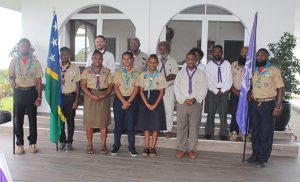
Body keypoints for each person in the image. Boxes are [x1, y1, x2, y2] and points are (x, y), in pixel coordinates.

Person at [247, 48, 284, 168]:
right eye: (257, 55)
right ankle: (255, 155)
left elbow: (280, 90)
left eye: (262, 55)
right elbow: (252, 85)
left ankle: (263, 158)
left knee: (266, 132)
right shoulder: (254, 70)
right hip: (254, 104)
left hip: (268, 105)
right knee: (256, 131)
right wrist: (249, 93)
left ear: (267, 56)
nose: (259, 57)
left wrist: (277, 108)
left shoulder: (274, 70)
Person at [8, 38, 43, 154]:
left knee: (32, 118)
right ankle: (20, 144)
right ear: (19, 48)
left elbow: (39, 80)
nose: (24, 48)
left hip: (31, 92)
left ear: (29, 48)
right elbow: (10, 76)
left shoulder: (35, 62)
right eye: (22, 46)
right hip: (18, 92)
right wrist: (11, 82)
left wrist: (39, 96)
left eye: (26, 46)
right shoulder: (14, 61)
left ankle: (32, 143)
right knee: (18, 119)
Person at [174, 52, 208, 159]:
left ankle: (192, 149)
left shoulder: (202, 74)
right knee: (181, 127)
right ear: (186, 60)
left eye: (193, 59)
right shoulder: (180, 73)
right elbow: (177, 88)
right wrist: (184, 100)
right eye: (188, 59)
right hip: (182, 104)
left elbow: (204, 89)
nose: (190, 61)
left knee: (194, 127)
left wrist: (194, 99)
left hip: (196, 104)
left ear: (196, 60)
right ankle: (181, 148)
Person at [80, 50, 113, 154]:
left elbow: (110, 86)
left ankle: (103, 145)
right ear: (92, 59)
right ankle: (90, 145)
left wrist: (103, 95)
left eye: (100, 58)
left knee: (103, 123)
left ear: (102, 59)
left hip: (104, 96)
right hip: (90, 96)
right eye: (95, 58)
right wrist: (91, 95)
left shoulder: (107, 71)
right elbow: (83, 85)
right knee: (89, 122)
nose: (97, 60)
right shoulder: (86, 71)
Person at [136, 54, 167, 156]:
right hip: (145, 100)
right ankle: (146, 147)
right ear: (148, 63)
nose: (152, 64)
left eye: (155, 62)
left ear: (157, 63)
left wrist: (155, 104)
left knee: (155, 125)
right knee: (146, 125)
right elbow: (140, 91)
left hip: (157, 99)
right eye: (151, 62)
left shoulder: (160, 75)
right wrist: (147, 104)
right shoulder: (143, 75)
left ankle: (153, 147)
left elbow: (162, 92)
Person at [111, 51, 140, 156]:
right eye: (124, 59)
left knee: (131, 126)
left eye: (128, 58)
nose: (126, 61)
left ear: (132, 60)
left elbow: (136, 89)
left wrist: (128, 102)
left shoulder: (137, 74)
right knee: (118, 125)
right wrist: (123, 101)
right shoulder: (118, 73)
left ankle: (131, 147)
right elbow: (116, 88)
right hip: (119, 100)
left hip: (132, 100)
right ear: (122, 60)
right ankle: (116, 146)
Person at [205, 45, 233, 140]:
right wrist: (216, 90)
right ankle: (209, 132)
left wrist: (223, 90)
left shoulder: (227, 64)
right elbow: (208, 80)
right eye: (215, 52)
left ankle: (224, 133)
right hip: (212, 91)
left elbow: (229, 79)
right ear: (213, 53)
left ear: (222, 53)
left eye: (219, 52)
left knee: (223, 113)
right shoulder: (209, 64)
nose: (217, 53)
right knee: (211, 112)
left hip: (224, 91)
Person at [58, 47, 81, 151]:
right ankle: (62, 140)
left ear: (70, 55)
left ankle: (69, 141)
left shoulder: (75, 68)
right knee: (60, 120)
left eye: (66, 54)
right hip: (59, 98)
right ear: (59, 55)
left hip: (70, 97)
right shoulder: (55, 67)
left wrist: (77, 99)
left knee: (70, 121)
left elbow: (78, 85)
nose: (64, 56)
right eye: (62, 54)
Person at [157, 41, 178, 138]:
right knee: (156, 108)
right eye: (160, 48)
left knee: (168, 109)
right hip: (156, 88)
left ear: (168, 49)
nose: (162, 50)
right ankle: (156, 128)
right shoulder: (155, 59)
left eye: (164, 48)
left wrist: (163, 80)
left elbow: (174, 74)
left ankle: (167, 130)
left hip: (168, 88)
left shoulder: (173, 61)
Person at [229, 46, 248, 141]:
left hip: (247, 95)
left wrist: (247, 93)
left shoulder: (252, 66)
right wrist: (233, 90)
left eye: (246, 52)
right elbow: (229, 80)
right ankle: (234, 132)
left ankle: (244, 133)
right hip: (235, 93)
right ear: (240, 53)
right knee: (235, 113)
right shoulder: (233, 64)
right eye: (243, 52)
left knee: (245, 114)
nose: (244, 54)